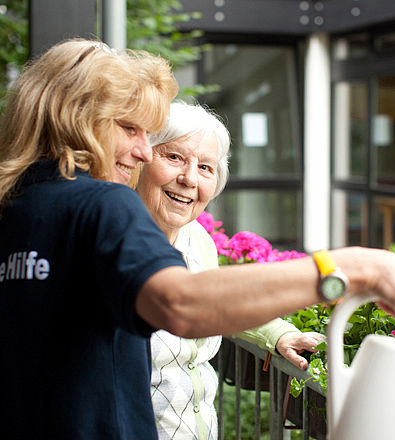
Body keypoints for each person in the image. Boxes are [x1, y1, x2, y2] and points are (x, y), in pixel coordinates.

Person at [0, 38, 395, 440]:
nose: (144, 151)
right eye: (130, 128)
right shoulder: (99, 202)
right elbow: (182, 304)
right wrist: (351, 269)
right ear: (76, 119)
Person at [131, 101, 324, 440]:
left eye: (205, 167)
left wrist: (278, 335)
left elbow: (216, 300)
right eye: (174, 157)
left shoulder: (197, 240)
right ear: (140, 159)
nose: (189, 178)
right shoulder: (114, 241)